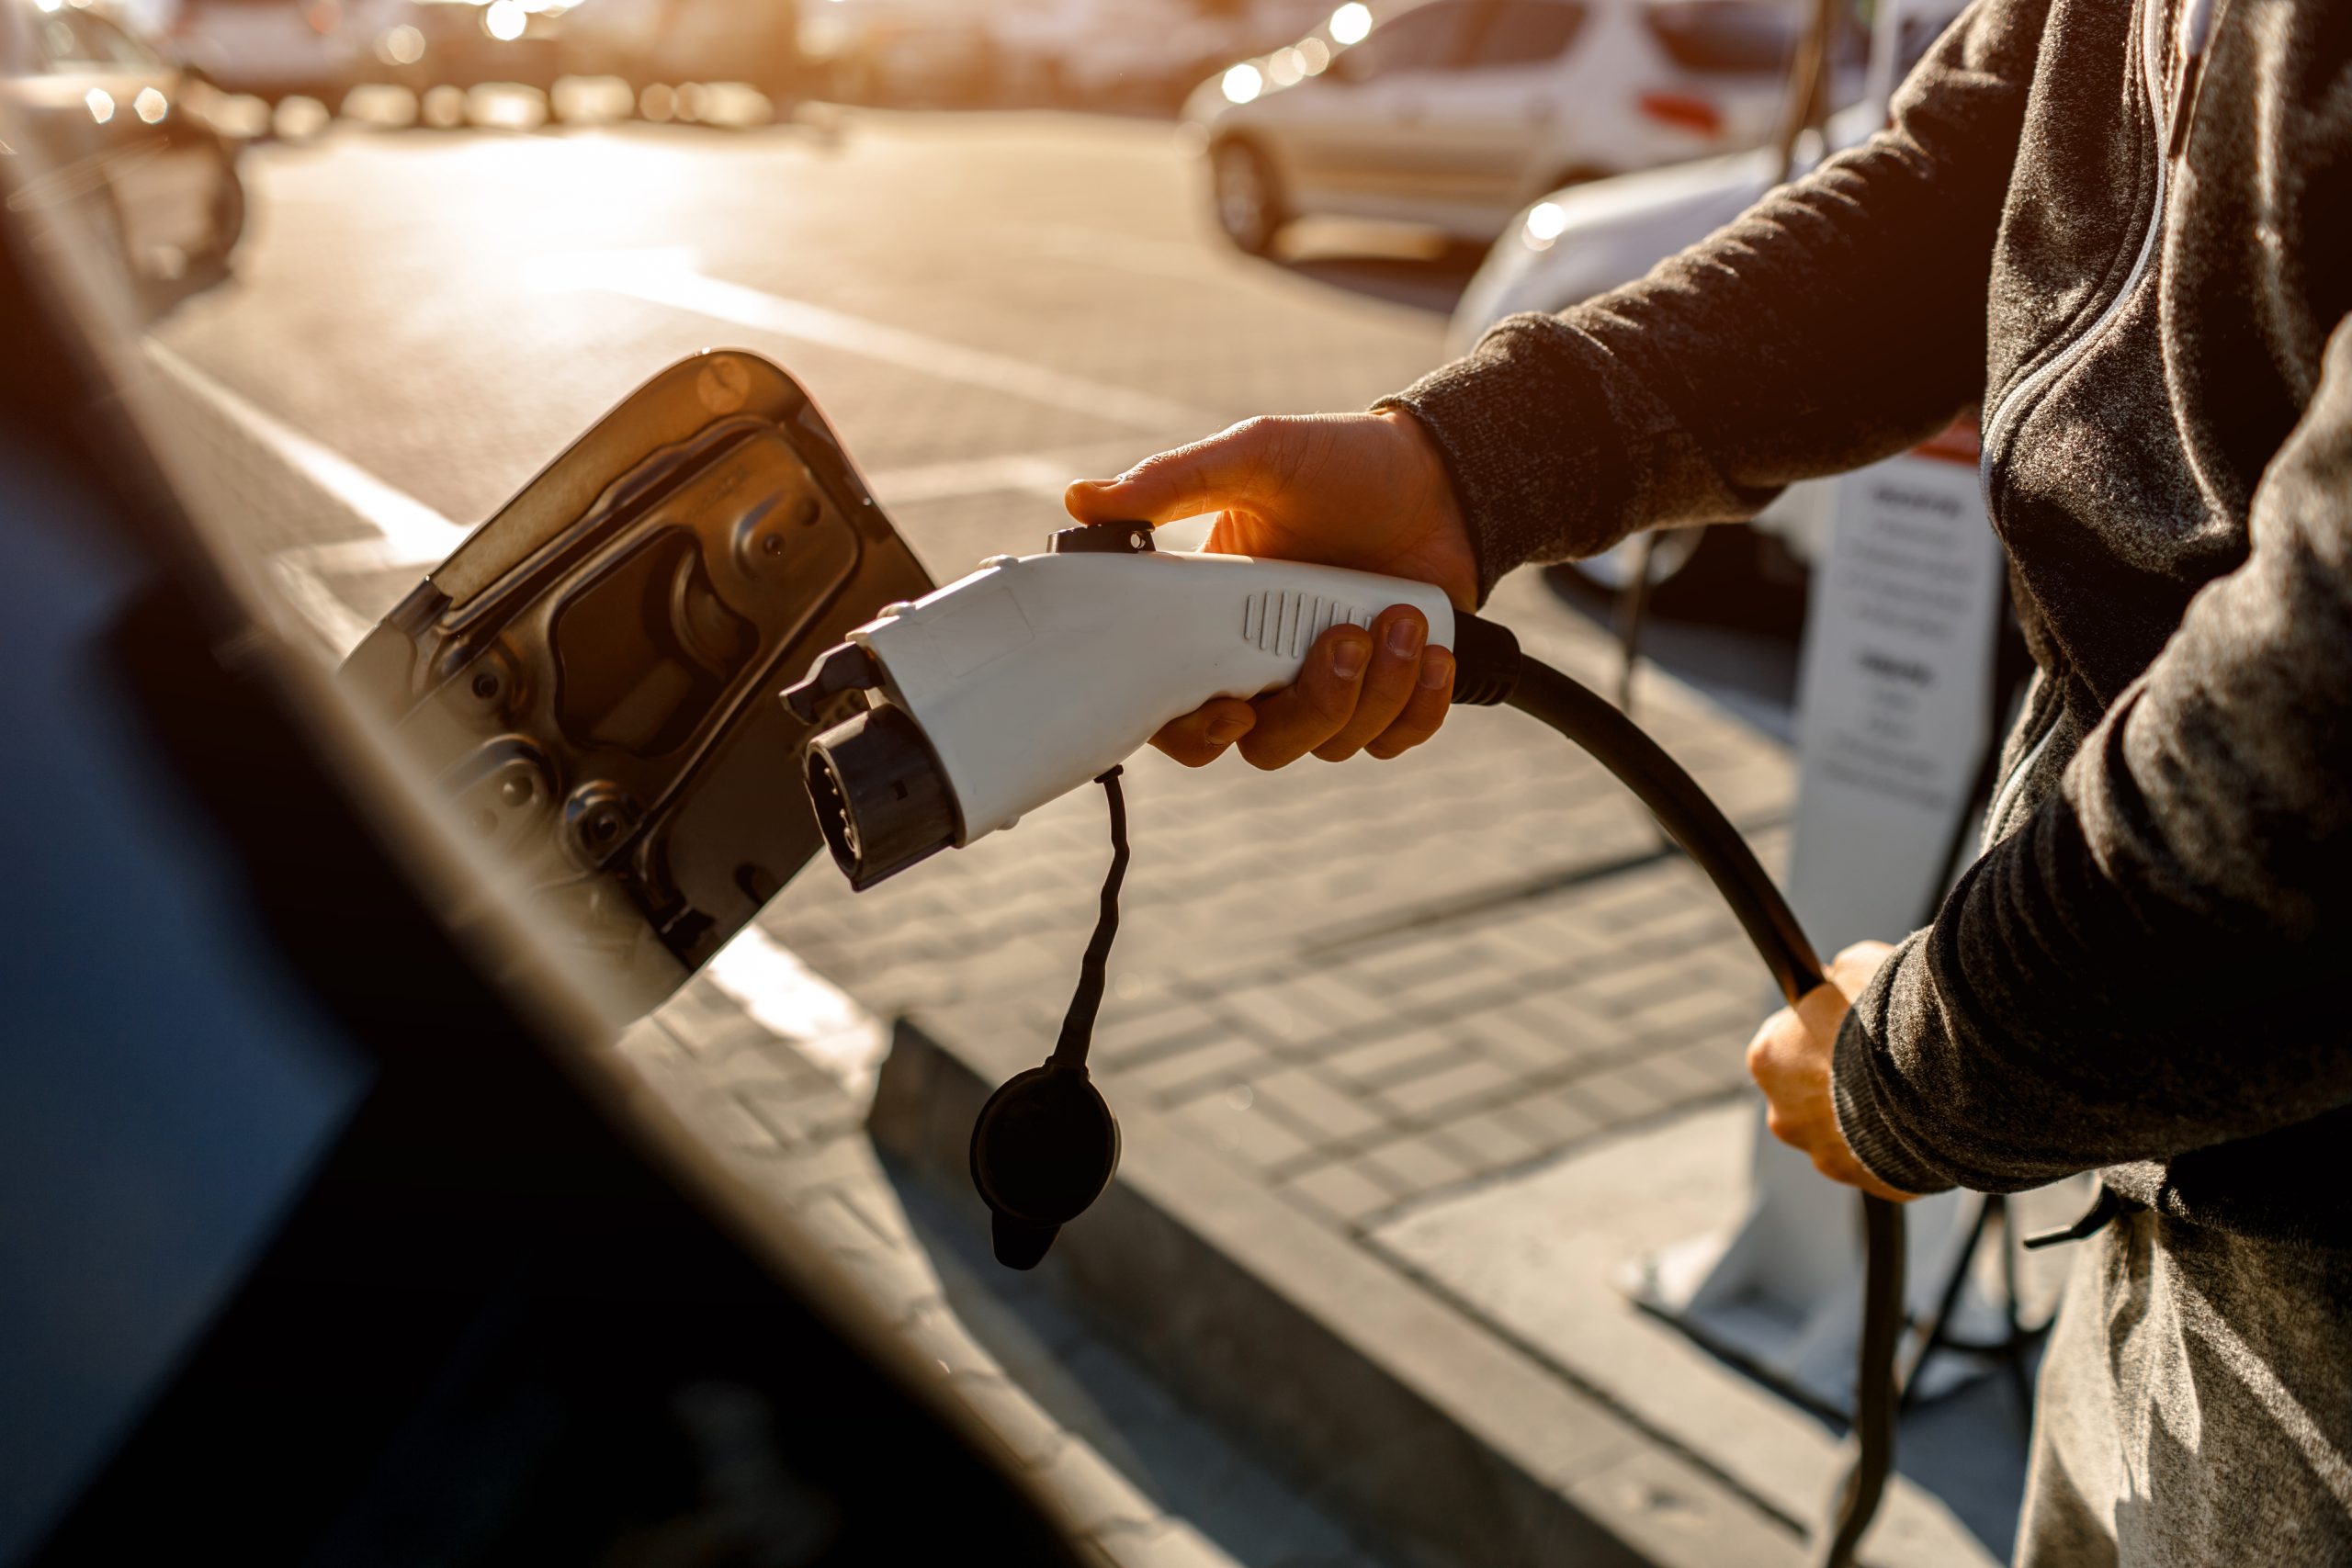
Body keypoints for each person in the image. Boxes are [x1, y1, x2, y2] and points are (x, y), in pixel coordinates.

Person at [1064, 0, 2352, 1561]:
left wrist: (1927, 1063)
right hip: (2175, 1221)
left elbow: (2315, 740)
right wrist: (1466, 466)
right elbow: (1977, 178)